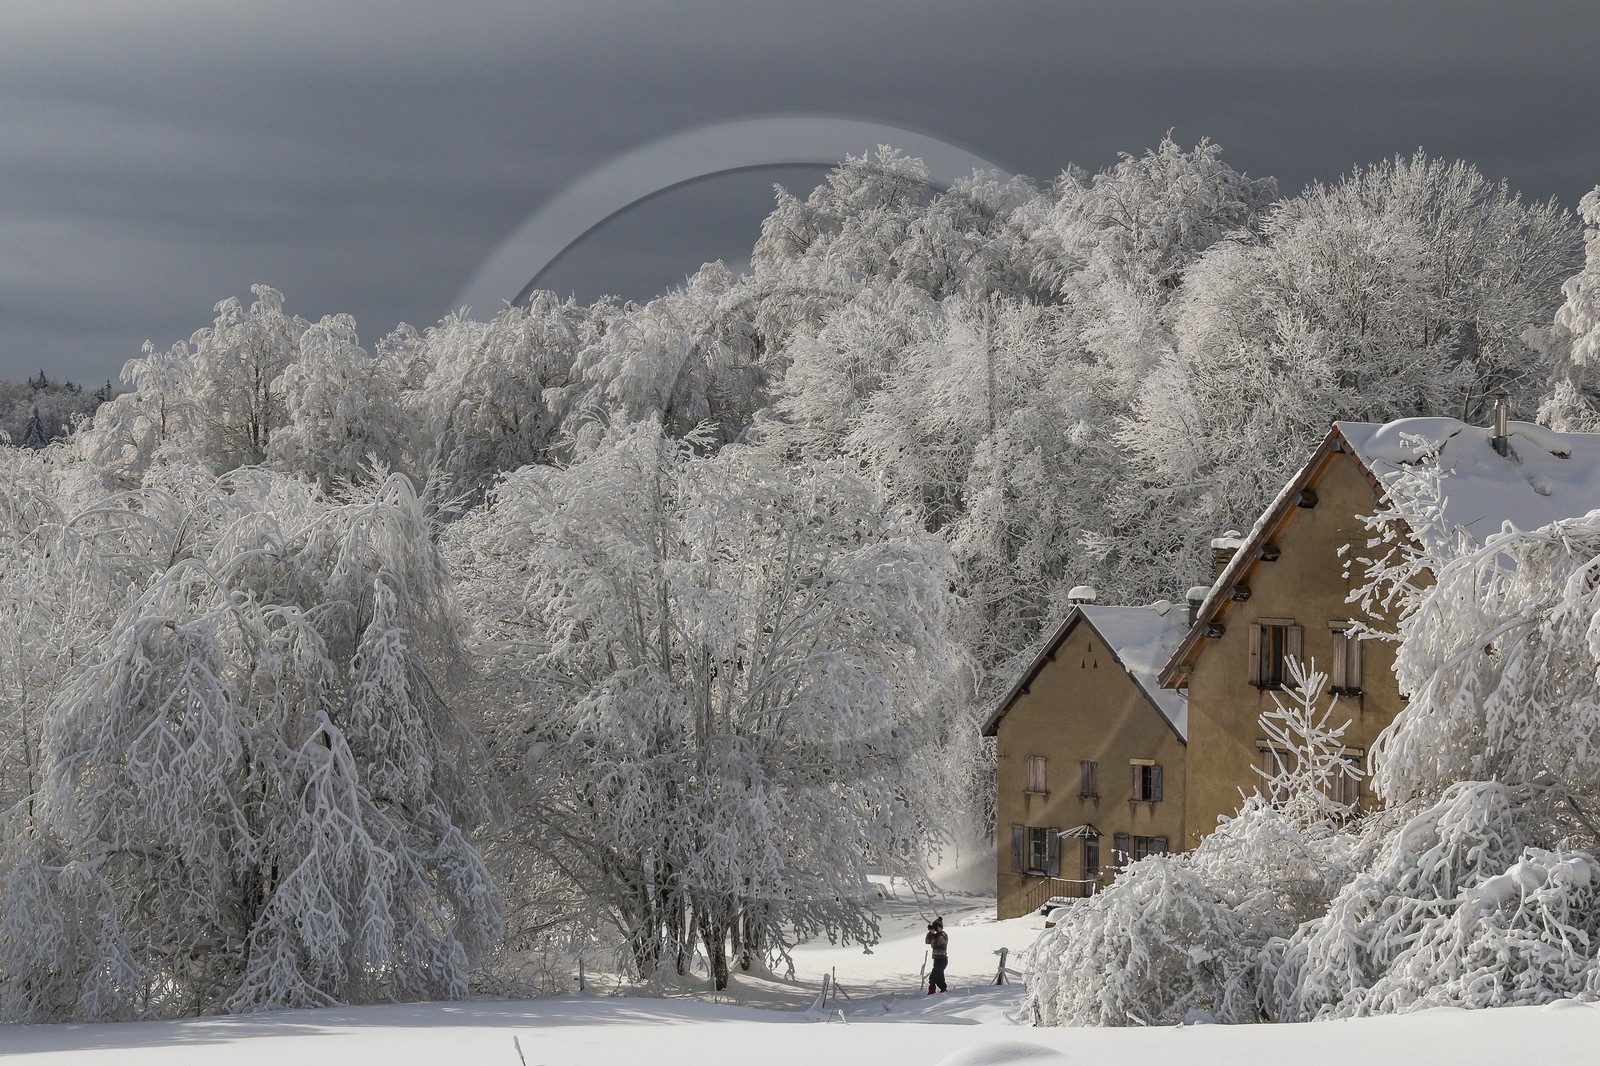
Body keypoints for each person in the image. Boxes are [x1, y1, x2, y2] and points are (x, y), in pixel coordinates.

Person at [925, 917, 948, 994]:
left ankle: (931, 991)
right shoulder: (936, 935)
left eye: (936, 927)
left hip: (942, 960)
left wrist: (933, 935)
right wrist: (930, 933)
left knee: (933, 976)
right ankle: (943, 990)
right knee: (940, 977)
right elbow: (927, 941)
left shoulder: (943, 935)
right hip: (936, 959)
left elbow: (936, 944)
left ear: (940, 927)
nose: (936, 929)